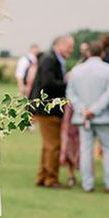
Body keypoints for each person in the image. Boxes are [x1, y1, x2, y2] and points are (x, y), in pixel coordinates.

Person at [66, 41, 109, 192]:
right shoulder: (108, 69)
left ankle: (87, 184)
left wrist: (83, 110)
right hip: (103, 117)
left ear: (88, 53)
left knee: (86, 150)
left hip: (84, 117)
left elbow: (70, 93)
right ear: (102, 53)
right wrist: (95, 109)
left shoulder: (76, 70)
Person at [29, 34, 74, 188]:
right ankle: (51, 179)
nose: (71, 50)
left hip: (48, 108)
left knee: (47, 145)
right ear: (59, 45)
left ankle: (42, 177)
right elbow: (48, 83)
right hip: (48, 109)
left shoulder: (52, 58)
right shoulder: (49, 59)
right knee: (54, 145)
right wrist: (67, 83)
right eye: (69, 47)